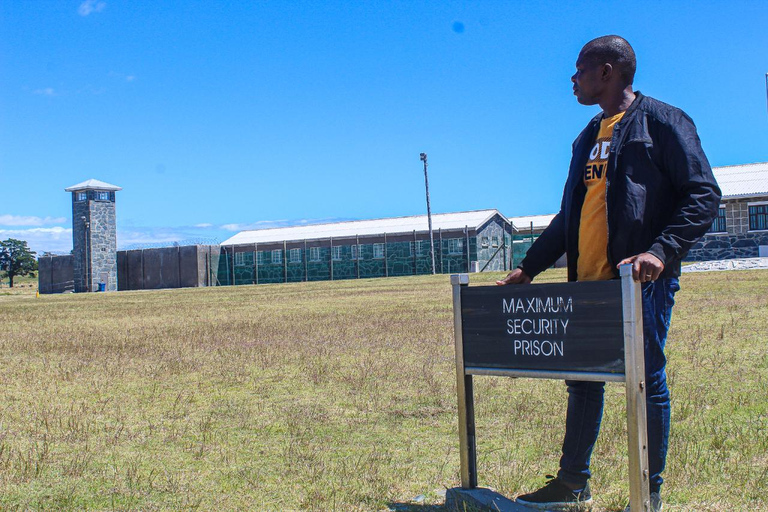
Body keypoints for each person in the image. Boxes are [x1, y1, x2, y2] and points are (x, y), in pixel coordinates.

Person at [496, 35, 721, 511]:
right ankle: (571, 483)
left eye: (579, 70)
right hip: (586, 285)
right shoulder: (585, 138)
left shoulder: (662, 122)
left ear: (607, 71)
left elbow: (703, 194)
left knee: (645, 380)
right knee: (582, 380)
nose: (571, 80)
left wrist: (660, 251)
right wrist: (529, 268)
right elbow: (568, 217)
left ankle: (648, 490)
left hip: (639, 285)